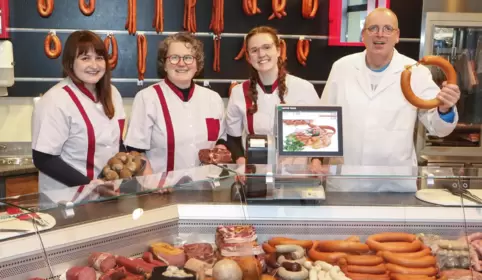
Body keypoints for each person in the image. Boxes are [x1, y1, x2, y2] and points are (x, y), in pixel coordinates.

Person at [320, 8, 461, 192]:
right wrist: (316, 158)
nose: (380, 34)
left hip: (394, 183)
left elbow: (438, 128)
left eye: (388, 28)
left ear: (397, 36)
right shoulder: (342, 67)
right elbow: (323, 117)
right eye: (373, 28)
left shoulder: (417, 72)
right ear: (363, 35)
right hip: (345, 182)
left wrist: (445, 109)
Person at [32, 30, 126, 194]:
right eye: (85, 58)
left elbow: (116, 143)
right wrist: (91, 186)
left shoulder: (113, 93)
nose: (94, 65)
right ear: (70, 63)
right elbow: (43, 159)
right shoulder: (55, 100)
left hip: (107, 193)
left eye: (99, 57)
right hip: (66, 199)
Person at [124, 32, 227, 178]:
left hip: (206, 185)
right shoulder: (147, 98)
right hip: (162, 190)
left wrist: (219, 151)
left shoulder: (213, 98)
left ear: (197, 64)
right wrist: (152, 183)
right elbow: (135, 149)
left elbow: (221, 139)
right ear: (164, 65)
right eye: (174, 58)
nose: (181, 63)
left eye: (188, 58)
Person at [226, 26, 323, 174]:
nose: (261, 54)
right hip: (256, 175)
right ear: (249, 56)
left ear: (278, 50)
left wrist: (316, 162)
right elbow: (233, 137)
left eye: (267, 47)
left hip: (297, 174)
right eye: (254, 50)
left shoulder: (304, 88)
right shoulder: (239, 92)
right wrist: (241, 163)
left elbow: (319, 132)